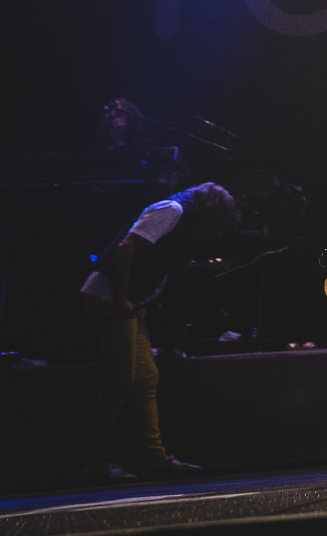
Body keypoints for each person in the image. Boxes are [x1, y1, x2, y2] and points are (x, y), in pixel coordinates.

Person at [80, 181, 238, 482]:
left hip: (129, 302)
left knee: (146, 377)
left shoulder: (178, 222)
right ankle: (98, 463)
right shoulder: (171, 210)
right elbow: (127, 246)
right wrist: (120, 297)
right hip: (106, 295)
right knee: (122, 378)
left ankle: (154, 458)